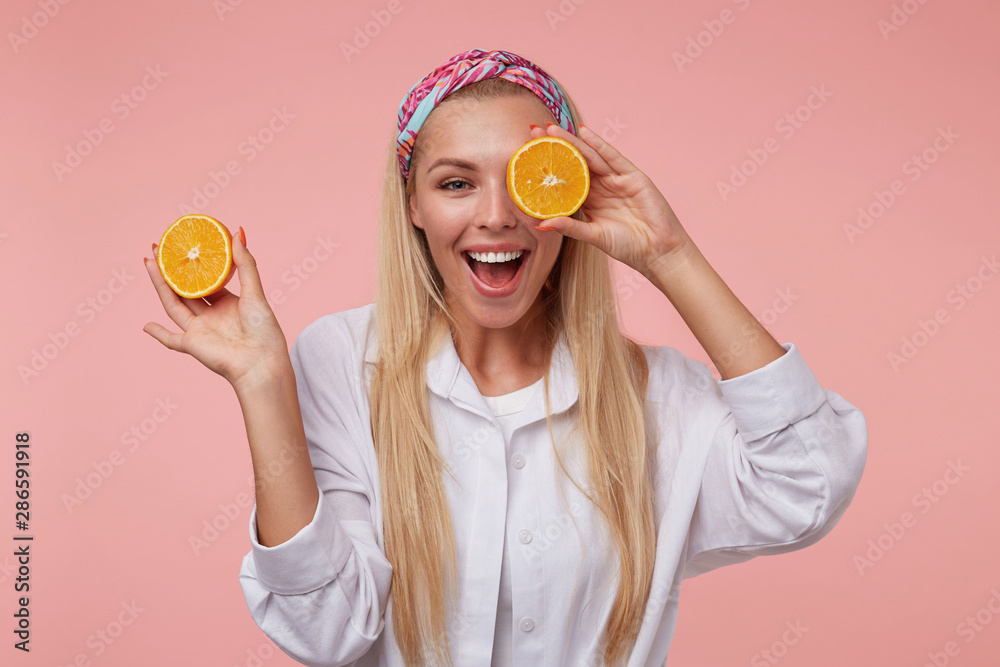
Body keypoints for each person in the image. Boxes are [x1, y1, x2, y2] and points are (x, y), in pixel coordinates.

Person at [142, 48, 867, 667]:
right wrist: (263, 385)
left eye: (526, 178)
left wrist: (671, 256)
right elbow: (325, 627)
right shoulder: (341, 362)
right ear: (413, 207)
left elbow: (809, 483)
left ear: (572, 195)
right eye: (456, 182)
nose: (496, 216)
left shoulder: (654, 396)